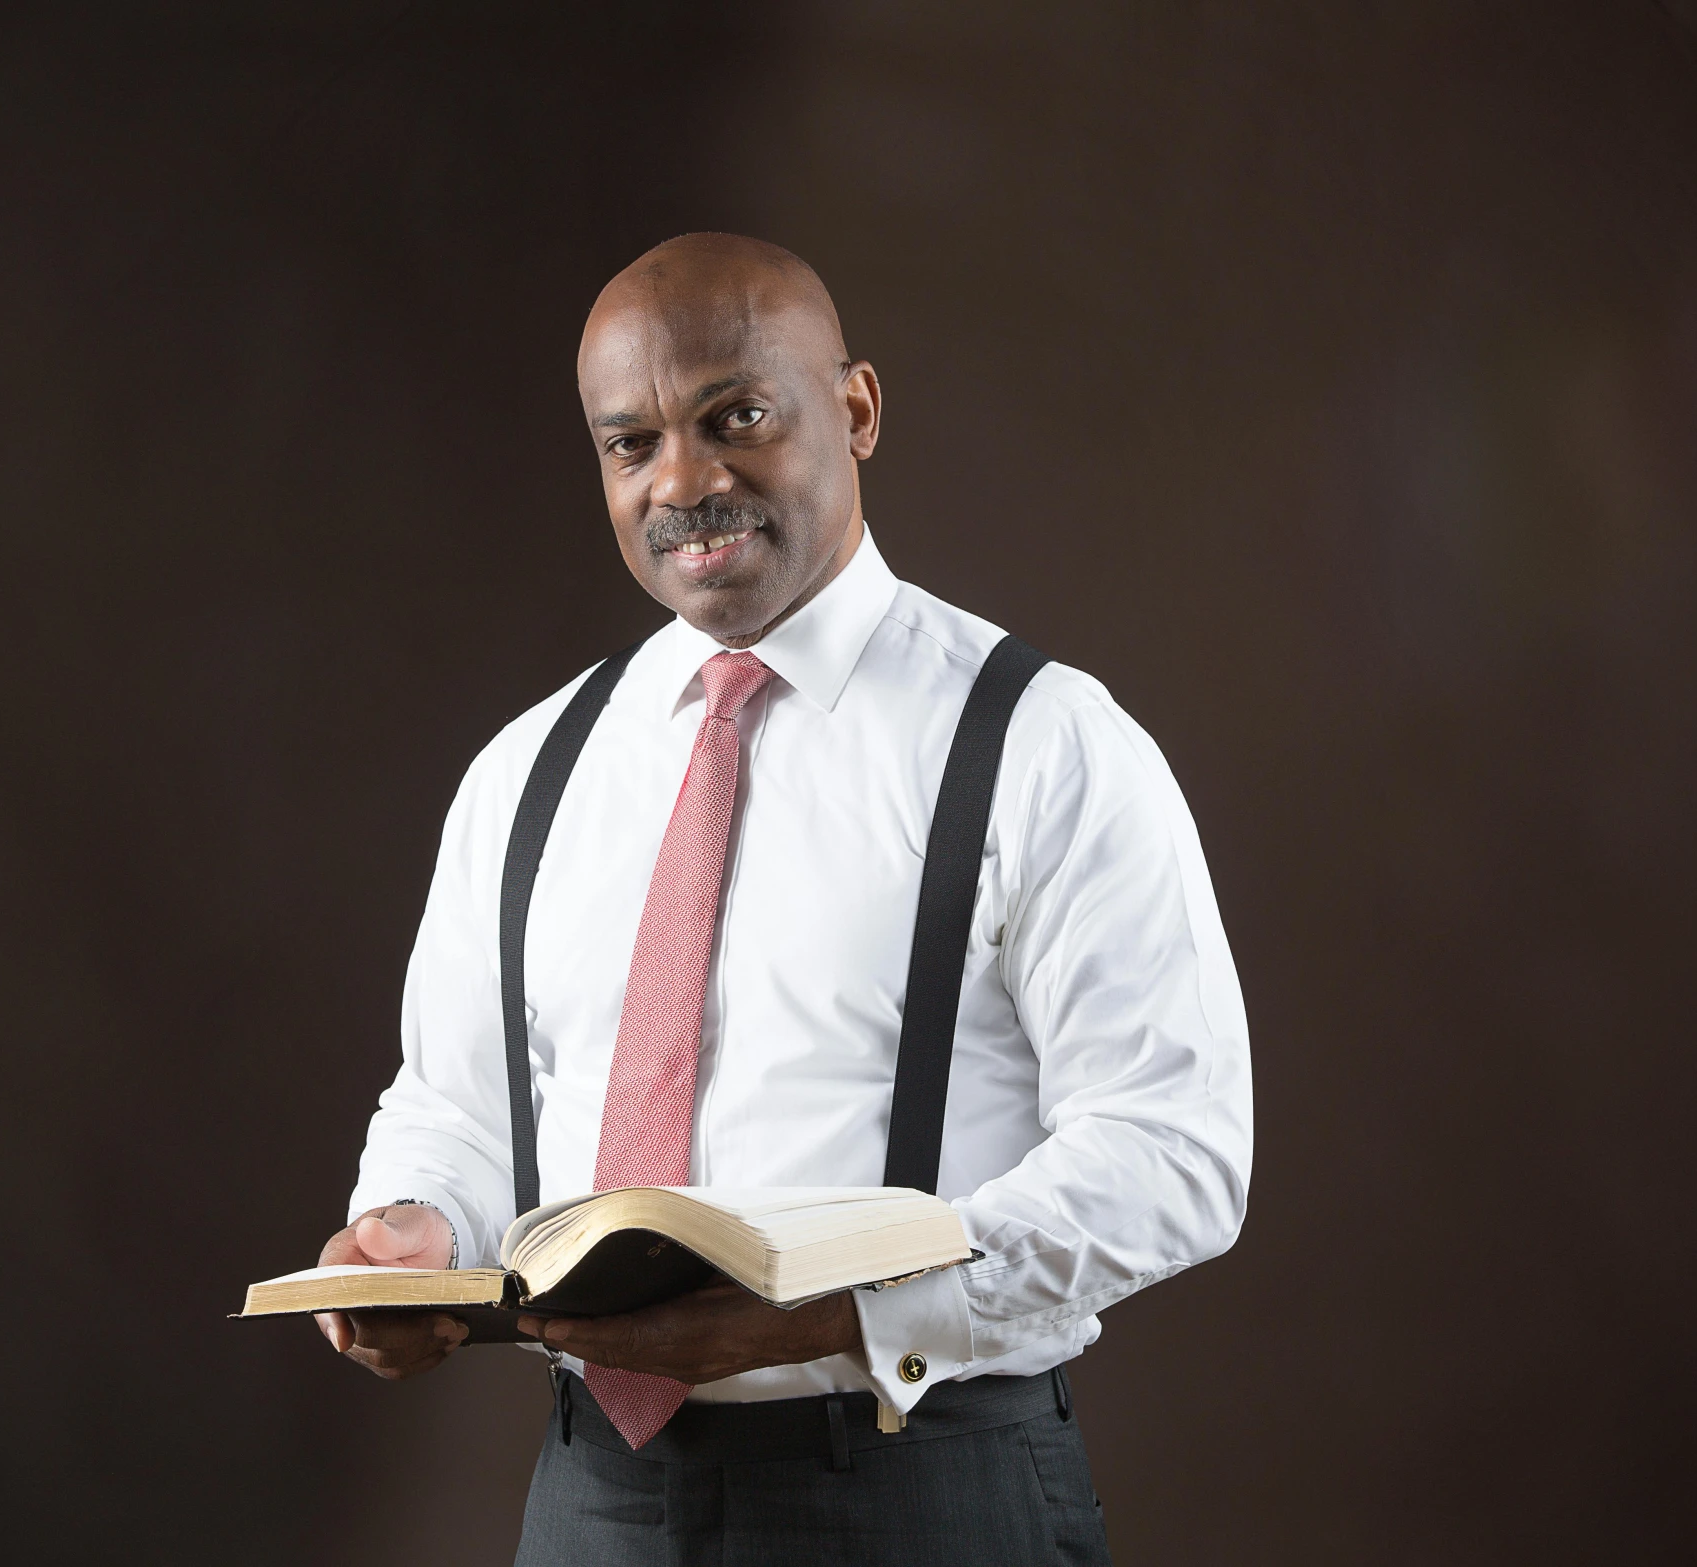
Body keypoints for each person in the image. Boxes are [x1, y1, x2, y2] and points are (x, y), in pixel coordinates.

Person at [315, 233, 1252, 1564]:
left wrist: (828, 1313)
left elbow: (1175, 1150)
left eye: (734, 417)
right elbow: (457, 1100)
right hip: (597, 1501)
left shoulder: (1043, 743)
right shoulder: (531, 767)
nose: (683, 483)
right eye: (629, 443)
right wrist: (414, 1223)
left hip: (920, 1486)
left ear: (854, 409)